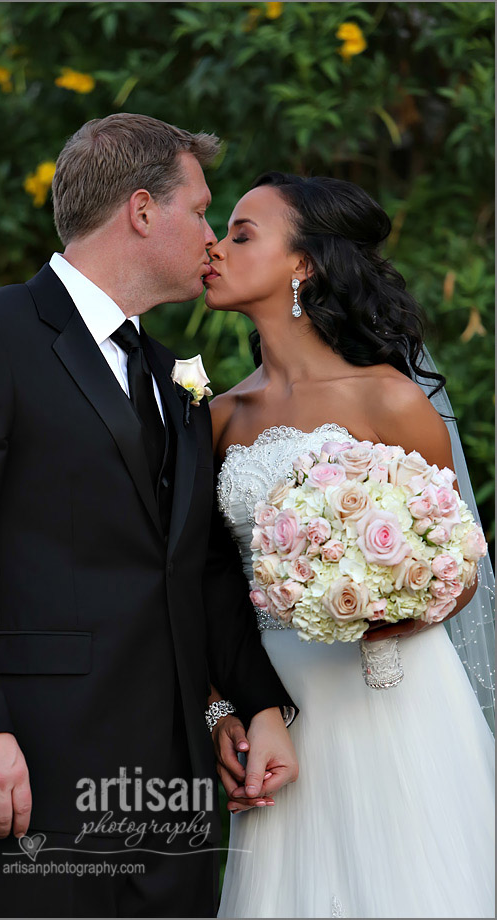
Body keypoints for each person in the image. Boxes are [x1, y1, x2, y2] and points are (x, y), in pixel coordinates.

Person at [0, 116, 300, 919]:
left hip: (170, 788)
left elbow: (197, 567)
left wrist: (251, 705)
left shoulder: (168, 373)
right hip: (27, 770)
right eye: (201, 210)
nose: (211, 237)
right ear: (143, 211)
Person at [204, 172, 495, 918]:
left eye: (241, 234)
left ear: (302, 265)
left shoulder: (386, 397)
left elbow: (458, 560)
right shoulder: (219, 417)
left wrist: (391, 601)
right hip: (284, 706)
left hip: (394, 692)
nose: (215, 247)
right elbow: (199, 581)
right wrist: (220, 708)